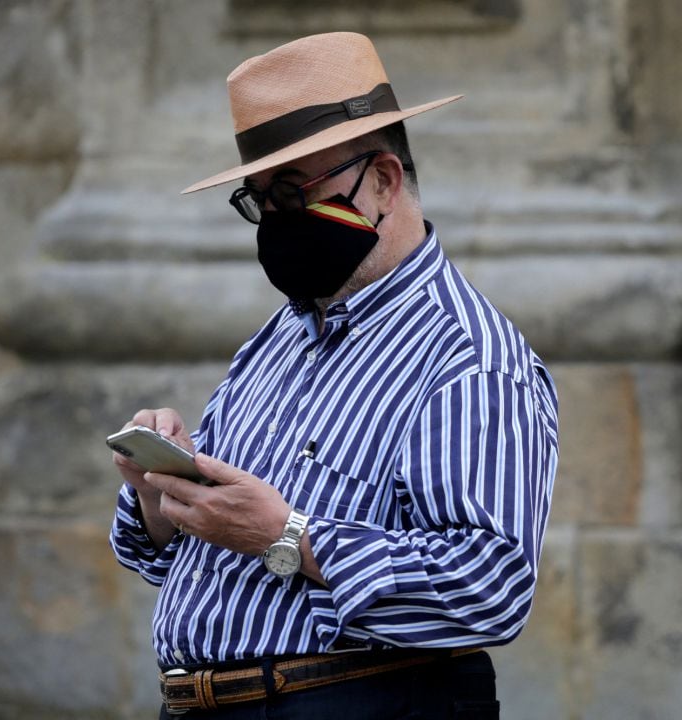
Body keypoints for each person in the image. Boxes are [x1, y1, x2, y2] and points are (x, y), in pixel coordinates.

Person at [109, 32, 559, 719]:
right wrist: (160, 493)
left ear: (383, 180)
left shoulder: (470, 357)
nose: (279, 220)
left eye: (297, 190)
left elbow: (488, 591)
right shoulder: (279, 337)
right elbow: (181, 564)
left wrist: (289, 536)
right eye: (261, 201)